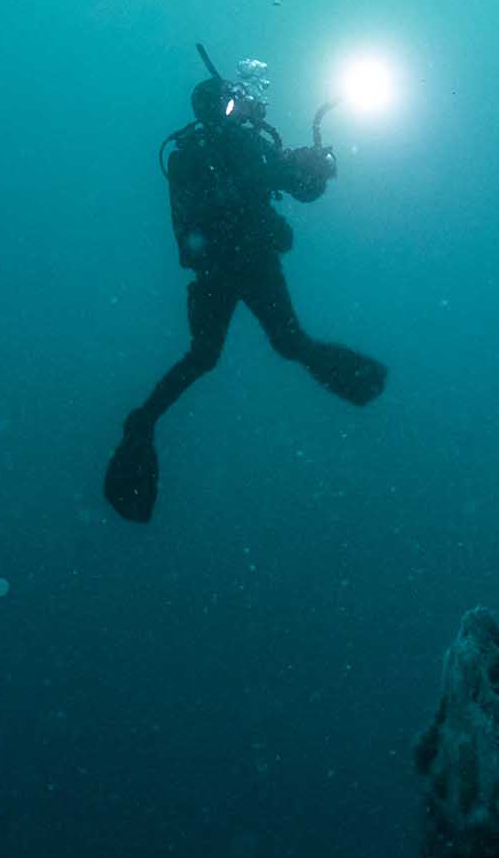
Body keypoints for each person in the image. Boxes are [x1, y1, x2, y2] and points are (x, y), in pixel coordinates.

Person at [103, 55, 387, 523]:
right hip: (246, 263)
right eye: (233, 103)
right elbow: (279, 186)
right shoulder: (215, 151)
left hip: (220, 268)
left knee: (210, 355)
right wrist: (300, 169)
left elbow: (293, 186)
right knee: (280, 344)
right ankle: (142, 425)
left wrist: (311, 168)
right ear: (220, 107)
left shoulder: (212, 150)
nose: (242, 109)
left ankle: (142, 422)